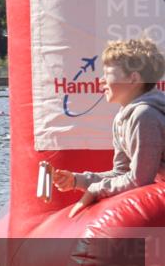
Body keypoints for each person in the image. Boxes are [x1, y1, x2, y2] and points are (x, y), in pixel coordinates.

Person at [52, 38, 165, 218]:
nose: (101, 81)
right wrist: (78, 180)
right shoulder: (122, 117)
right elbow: (122, 173)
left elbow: (139, 180)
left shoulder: (145, 115)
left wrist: (97, 190)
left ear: (133, 78)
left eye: (107, 73)